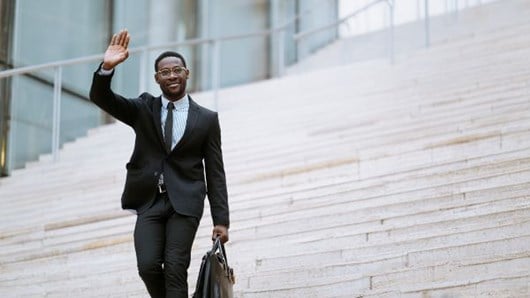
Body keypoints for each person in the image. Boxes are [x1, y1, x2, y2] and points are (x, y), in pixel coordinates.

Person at [89, 29, 230, 298]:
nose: (172, 76)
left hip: (186, 201)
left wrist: (221, 220)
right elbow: (101, 98)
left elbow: (215, 171)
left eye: (177, 70)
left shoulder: (207, 119)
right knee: (148, 266)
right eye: (165, 72)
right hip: (149, 200)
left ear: (187, 73)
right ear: (157, 79)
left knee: (176, 267)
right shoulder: (143, 108)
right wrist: (106, 68)